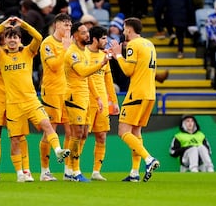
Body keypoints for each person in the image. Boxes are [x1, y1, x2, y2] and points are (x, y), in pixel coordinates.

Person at [0, 16, 70, 182]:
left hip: (31, 101)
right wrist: (3, 25)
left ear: (20, 40)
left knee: (46, 124)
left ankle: (58, 150)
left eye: (15, 37)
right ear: (5, 40)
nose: (12, 40)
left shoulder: (28, 52)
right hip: (13, 105)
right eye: (9, 37)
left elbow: (38, 37)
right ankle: (20, 174)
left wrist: (23, 24)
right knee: (15, 140)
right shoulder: (1, 55)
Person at [0, 19, 33, 182]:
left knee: (19, 134)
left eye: (0, 31)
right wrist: (1, 56)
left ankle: (26, 170)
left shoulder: (17, 48)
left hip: (15, 96)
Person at [110, 17, 160, 182]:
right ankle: (134, 173)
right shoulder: (149, 44)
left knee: (123, 131)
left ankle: (148, 159)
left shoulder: (133, 44)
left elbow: (128, 70)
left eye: (124, 29)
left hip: (136, 93)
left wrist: (118, 55)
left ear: (129, 29)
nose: (123, 32)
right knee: (136, 132)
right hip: (150, 94)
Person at [63, 21, 109, 182]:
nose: (87, 35)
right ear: (75, 35)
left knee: (83, 134)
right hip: (74, 96)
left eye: (87, 32)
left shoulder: (86, 53)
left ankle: (69, 169)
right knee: (77, 134)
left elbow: (88, 78)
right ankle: (75, 171)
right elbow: (83, 72)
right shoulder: (72, 53)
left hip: (85, 98)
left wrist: (97, 97)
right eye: (83, 33)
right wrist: (101, 64)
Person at [39, 13, 72, 181]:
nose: (68, 28)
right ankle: (45, 171)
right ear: (57, 25)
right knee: (49, 130)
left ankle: (67, 171)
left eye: (69, 25)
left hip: (67, 92)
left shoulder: (71, 44)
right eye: (65, 25)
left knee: (70, 131)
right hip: (51, 92)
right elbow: (52, 66)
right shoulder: (47, 43)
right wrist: (65, 49)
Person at [86, 25, 119, 181]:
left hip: (103, 102)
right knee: (81, 135)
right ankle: (73, 169)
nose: (106, 41)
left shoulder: (104, 56)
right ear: (94, 39)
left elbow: (108, 80)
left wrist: (114, 101)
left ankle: (96, 171)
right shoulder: (83, 54)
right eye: (104, 38)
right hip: (86, 100)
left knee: (102, 136)